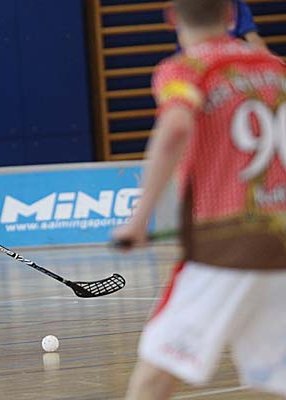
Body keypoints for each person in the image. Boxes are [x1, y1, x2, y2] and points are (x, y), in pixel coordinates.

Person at [113, 0, 286, 398]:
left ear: (171, 16)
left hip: (224, 247)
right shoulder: (274, 68)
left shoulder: (185, 69)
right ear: (230, 14)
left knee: (155, 372)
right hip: (280, 242)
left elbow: (175, 129)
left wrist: (139, 219)